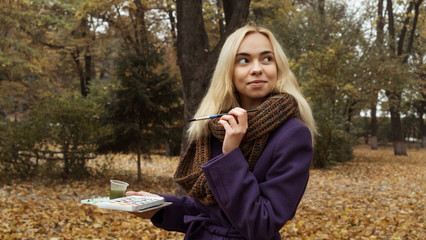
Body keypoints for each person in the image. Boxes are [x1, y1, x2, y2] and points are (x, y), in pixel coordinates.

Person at [126, 24, 317, 240]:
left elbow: (262, 224)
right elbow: (208, 211)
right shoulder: (217, 127)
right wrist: (159, 207)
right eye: (243, 60)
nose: (256, 68)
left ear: (278, 67)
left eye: (266, 59)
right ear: (229, 71)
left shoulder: (292, 134)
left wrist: (231, 155)